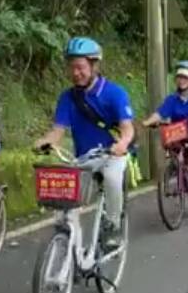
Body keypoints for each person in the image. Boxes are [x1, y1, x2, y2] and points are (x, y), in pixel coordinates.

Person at [34, 36, 135, 251]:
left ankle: (113, 224)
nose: (75, 73)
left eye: (80, 67)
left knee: (112, 177)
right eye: (71, 68)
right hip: (84, 159)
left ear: (94, 66)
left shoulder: (115, 93)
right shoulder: (67, 98)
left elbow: (128, 129)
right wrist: (45, 141)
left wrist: (122, 144)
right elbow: (58, 131)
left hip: (111, 155)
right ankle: (72, 251)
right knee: (65, 205)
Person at [143, 61, 188, 212]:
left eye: (185, 78)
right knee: (176, 156)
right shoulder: (172, 99)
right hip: (177, 133)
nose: (181, 81)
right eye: (179, 77)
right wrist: (148, 122)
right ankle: (176, 170)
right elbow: (160, 113)